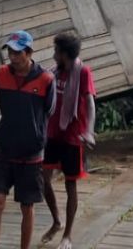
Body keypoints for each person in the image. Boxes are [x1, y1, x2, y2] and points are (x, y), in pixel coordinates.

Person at [0, 30, 56, 249]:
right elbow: (4, 105)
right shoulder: (0, 75)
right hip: (4, 150)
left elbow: (49, 110)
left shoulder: (46, 79)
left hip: (31, 154)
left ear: (29, 52)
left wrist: (34, 134)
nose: (13, 57)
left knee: (27, 207)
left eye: (17, 52)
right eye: (10, 51)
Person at [40, 32, 96, 249]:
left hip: (72, 136)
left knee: (70, 183)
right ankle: (56, 221)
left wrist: (89, 131)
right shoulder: (55, 72)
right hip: (53, 133)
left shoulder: (83, 72)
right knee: (43, 177)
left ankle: (67, 236)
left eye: (56, 52)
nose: (53, 55)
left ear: (64, 54)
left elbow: (90, 103)